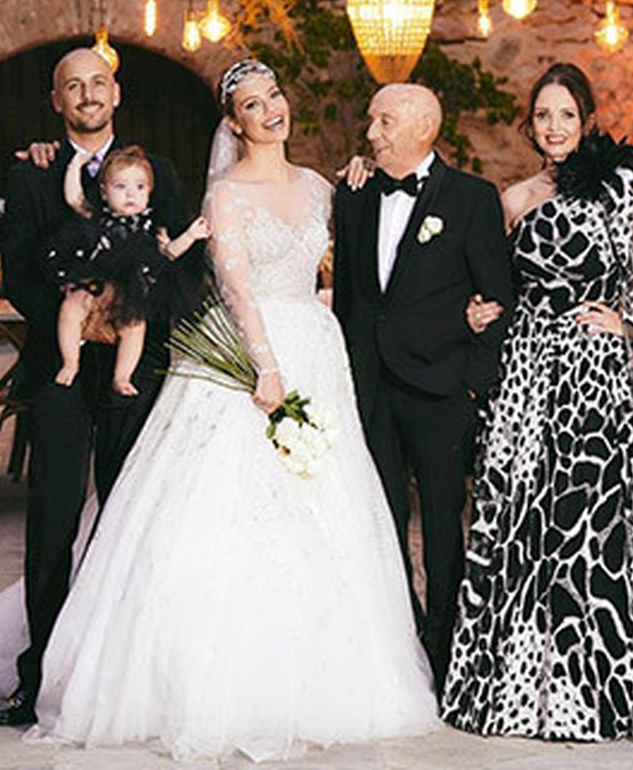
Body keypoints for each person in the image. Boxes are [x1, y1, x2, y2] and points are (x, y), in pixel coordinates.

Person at [29, 59, 438, 761]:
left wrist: (362, 181)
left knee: (324, 506)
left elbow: (347, 268)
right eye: (253, 104)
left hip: (317, 343)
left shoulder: (320, 186)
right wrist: (267, 367)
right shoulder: (225, 193)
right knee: (228, 507)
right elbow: (239, 287)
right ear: (235, 122)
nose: (270, 109)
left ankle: (331, 672)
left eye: (275, 95)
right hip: (254, 359)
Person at [442, 62, 633, 749]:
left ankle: (589, 692)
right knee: (518, 517)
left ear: (587, 120)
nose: (554, 127)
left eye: (566, 115)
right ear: (530, 124)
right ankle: (514, 692)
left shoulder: (625, 185)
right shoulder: (514, 199)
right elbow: (499, 287)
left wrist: (630, 322)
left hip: (594, 375)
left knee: (587, 524)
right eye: (543, 116)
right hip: (526, 376)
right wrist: (484, 312)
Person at [0, 48, 187, 727]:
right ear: (56, 101)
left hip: (136, 369)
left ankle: (116, 674)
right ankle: (39, 672)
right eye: (72, 86)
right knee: (50, 519)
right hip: (62, 366)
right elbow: (17, 271)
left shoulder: (158, 174)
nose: (86, 94)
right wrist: (79, 317)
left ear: (116, 91)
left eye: (96, 82)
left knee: (127, 516)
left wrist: (132, 317)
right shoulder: (32, 174)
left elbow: (179, 265)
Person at [331, 83, 515, 690]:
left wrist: (472, 382)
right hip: (373, 385)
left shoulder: (471, 199)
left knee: (442, 524)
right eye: (372, 119)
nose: (372, 132)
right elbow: (356, 301)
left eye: (383, 121)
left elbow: (498, 297)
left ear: (422, 129)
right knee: (379, 521)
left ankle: (444, 652)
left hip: (441, 388)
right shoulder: (354, 194)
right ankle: (397, 643)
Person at [46, 145, 210, 395]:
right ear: (104, 192)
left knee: (135, 327)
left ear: (149, 193)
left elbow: (168, 254)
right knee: (70, 308)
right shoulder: (98, 216)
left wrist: (191, 235)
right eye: (120, 187)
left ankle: (122, 376)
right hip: (94, 287)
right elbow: (73, 197)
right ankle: (70, 362)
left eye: (139, 187)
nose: (130, 194)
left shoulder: (152, 229)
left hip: (130, 295)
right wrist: (76, 164)